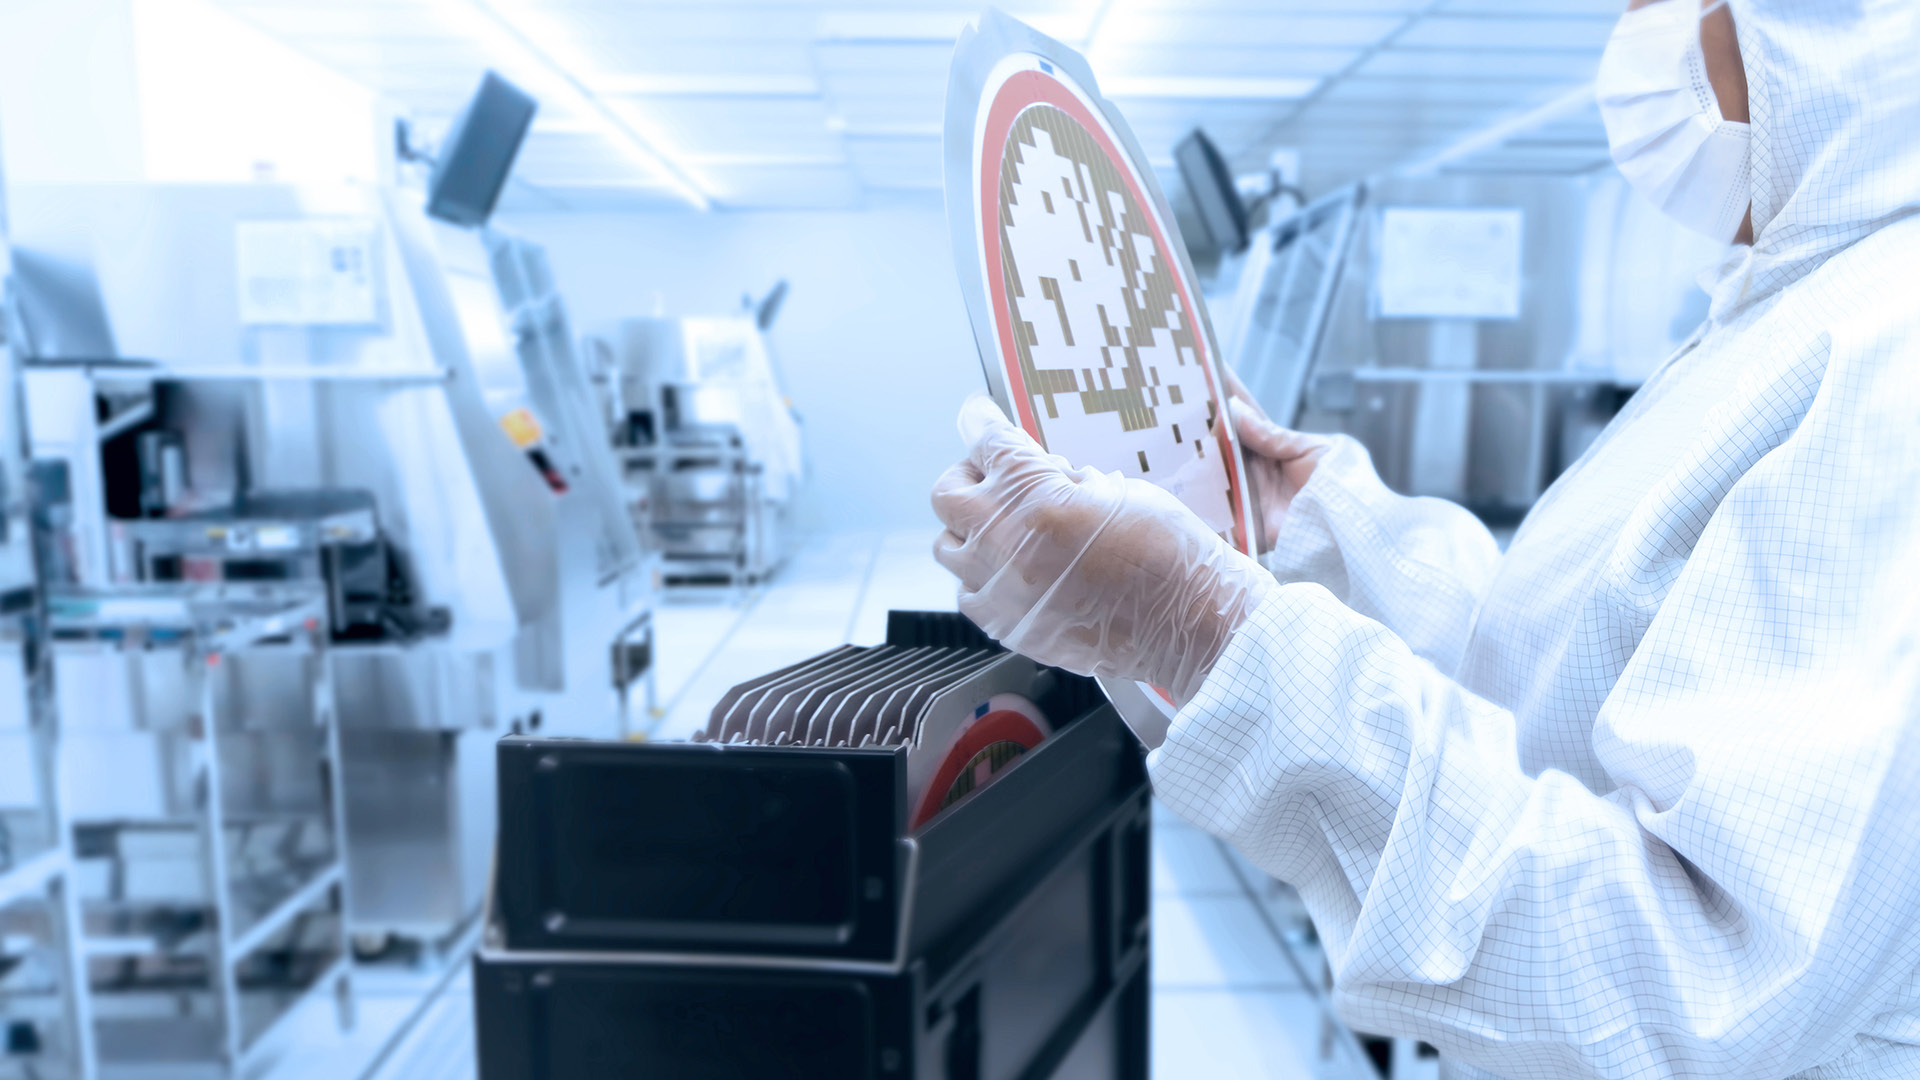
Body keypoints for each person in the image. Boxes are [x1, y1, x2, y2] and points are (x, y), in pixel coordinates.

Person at [931, 0, 1920, 1075]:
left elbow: (1684, 995)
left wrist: (1208, 631)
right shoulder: (1793, 309)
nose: (1640, 27)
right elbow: (1566, 689)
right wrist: (1322, 535)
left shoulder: (1890, 357)